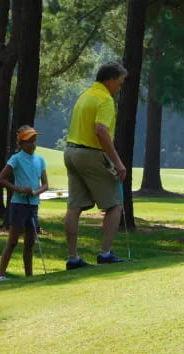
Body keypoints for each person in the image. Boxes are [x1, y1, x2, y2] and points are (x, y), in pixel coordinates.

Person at [64, 62, 127, 270]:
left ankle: (72, 258)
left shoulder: (86, 95)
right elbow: (101, 130)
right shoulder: (105, 99)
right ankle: (105, 254)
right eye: (119, 83)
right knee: (115, 204)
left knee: (74, 207)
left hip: (71, 152)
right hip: (90, 153)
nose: (120, 87)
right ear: (110, 81)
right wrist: (117, 162)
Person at [0, 126, 48, 281]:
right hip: (19, 205)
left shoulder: (40, 159)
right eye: (29, 141)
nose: (33, 144)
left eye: (34, 140)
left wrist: (34, 192)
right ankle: (1, 275)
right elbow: (1, 179)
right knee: (12, 241)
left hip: (33, 205)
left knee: (30, 243)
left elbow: (45, 184)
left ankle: (29, 276)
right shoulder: (16, 158)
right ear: (21, 143)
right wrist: (18, 189)